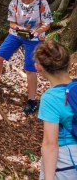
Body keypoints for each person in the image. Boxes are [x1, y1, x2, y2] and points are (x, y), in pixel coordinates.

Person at [0, 0, 53, 114]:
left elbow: (47, 24)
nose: (26, 2)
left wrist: (36, 32)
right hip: (16, 34)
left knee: (30, 68)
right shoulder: (15, 2)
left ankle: (32, 101)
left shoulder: (42, 3)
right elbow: (12, 23)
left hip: (35, 37)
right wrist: (20, 28)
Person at [35, 40, 77, 180]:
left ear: (38, 68)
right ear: (69, 64)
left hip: (66, 162)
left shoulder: (50, 98)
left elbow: (50, 144)